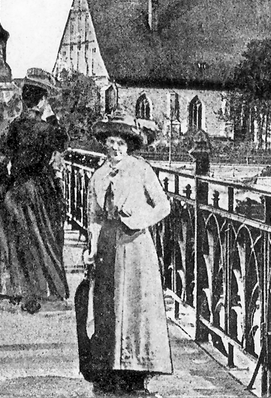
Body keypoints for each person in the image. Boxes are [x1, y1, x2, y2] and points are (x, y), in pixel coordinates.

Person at [83, 110, 173, 394]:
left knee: (136, 308)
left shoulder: (141, 169)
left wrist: (140, 217)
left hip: (136, 245)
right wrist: (91, 245)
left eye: (120, 142)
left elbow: (163, 205)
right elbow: (95, 216)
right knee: (108, 306)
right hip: (109, 244)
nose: (115, 147)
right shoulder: (97, 176)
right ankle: (110, 371)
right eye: (110, 142)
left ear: (128, 144)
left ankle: (136, 373)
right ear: (104, 145)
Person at [0, 67, 69, 313]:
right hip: (40, 189)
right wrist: (51, 118)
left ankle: (21, 290)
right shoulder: (48, 128)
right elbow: (62, 142)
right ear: (42, 100)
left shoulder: (14, 126)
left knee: (19, 240)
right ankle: (44, 289)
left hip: (15, 189)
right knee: (44, 238)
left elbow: (1, 155)